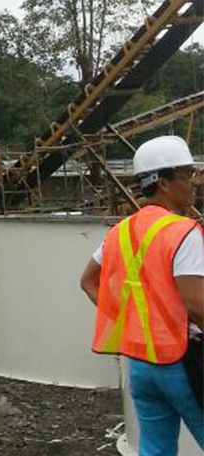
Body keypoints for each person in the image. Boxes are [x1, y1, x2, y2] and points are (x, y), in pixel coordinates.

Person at [80, 135, 203, 456]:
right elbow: (196, 303)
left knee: (154, 449)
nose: (195, 182)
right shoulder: (184, 232)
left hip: (141, 365)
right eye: (188, 174)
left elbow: (88, 281)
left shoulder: (120, 231)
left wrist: (130, 320)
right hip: (185, 362)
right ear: (163, 183)